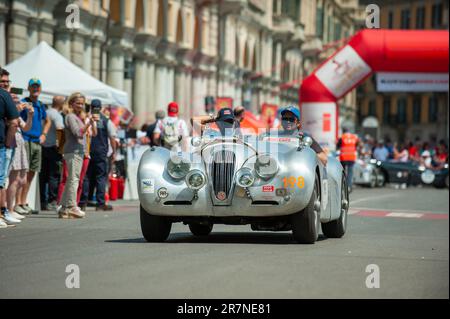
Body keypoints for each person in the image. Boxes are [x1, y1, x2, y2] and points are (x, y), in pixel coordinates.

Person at [17, 78, 51, 215]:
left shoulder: (40, 105)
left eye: (37, 86)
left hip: (37, 141)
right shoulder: (24, 102)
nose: (36, 89)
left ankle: (24, 202)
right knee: (23, 173)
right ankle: (18, 203)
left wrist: (44, 134)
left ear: (40, 88)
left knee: (31, 174)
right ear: (29, 88)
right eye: (33, 86)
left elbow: (47, 121)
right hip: (26, 140)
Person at [59, 93, 95, 219]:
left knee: (72, 180)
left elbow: (92, 134)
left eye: (82, 103)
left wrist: (91, 122)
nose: (80, 105)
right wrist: (89, 123)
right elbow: (78, 133)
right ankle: (72, 206)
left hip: (77, 151)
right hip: (73, 151)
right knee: (74, 179)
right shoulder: (70, 117)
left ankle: (64, 208)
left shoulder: (77, 117)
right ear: (71, 103)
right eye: (77, 103)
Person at [80, 99, 116, 211]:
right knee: (101, 177)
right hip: (101, 152)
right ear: (100, 108)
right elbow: (112, 137)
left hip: (87, 150)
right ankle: (100, 203)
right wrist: (114, 152)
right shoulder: (106, 120)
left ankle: (83, 202)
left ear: (91, 107)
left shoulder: (86, 118)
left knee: (86, 177)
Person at [7, 94, 34, 220]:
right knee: (14, 180)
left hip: (20, 146)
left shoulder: (16, 114)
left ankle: (10, 208)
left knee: (22, 180)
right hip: (12, 145)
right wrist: (16, 110)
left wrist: (30, 116)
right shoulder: (7, 112)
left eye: (18, 100)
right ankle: (9, 209)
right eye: (15, 100)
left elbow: (27, 128)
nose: (18, 102)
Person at [0, 66, 20, 227]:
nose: (5, 84)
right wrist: (7, 143)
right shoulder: (5, 96)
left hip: (7, 143)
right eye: (2, 81)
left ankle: (5, 211)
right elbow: (15, 122)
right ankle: (2, 212)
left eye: (7, 81)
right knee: (2, 180)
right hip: (3, 143)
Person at [39, 96, 65, 211]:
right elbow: (60, 130)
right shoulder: (57, 115)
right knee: (53, 176)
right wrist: (61, 147)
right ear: (61, 104)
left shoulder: (45, 112)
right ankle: (51, 200)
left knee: (42, 175)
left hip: (42, 146)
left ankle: (41, 201)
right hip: (53, 148)